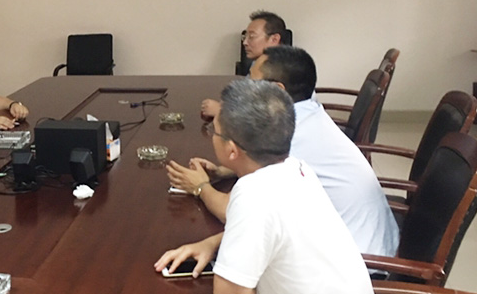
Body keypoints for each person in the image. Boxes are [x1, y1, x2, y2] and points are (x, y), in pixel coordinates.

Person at [155, 79, 388, 294]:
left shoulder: (253, 195)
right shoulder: (296, 168)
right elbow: (282, 232)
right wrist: (216, 242)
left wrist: (236, 257)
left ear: (232, 150)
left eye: (215, 133)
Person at [170, 46, 399, 256]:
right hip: (363, 240)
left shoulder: (289, 136)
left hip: (361, 262)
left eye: (252, 80)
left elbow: (233, 212)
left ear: (277, 89)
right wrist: (224, 171)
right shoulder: (306, 112)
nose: (246, 85)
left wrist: (200, 187)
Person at [201, 10, 286, 120]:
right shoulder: (258, 62)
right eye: (245, 37)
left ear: (274, 39)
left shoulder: (282, 71)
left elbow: (267, 118)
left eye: (252, 36)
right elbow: (245, 96)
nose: (245, 42)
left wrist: (222, 111)